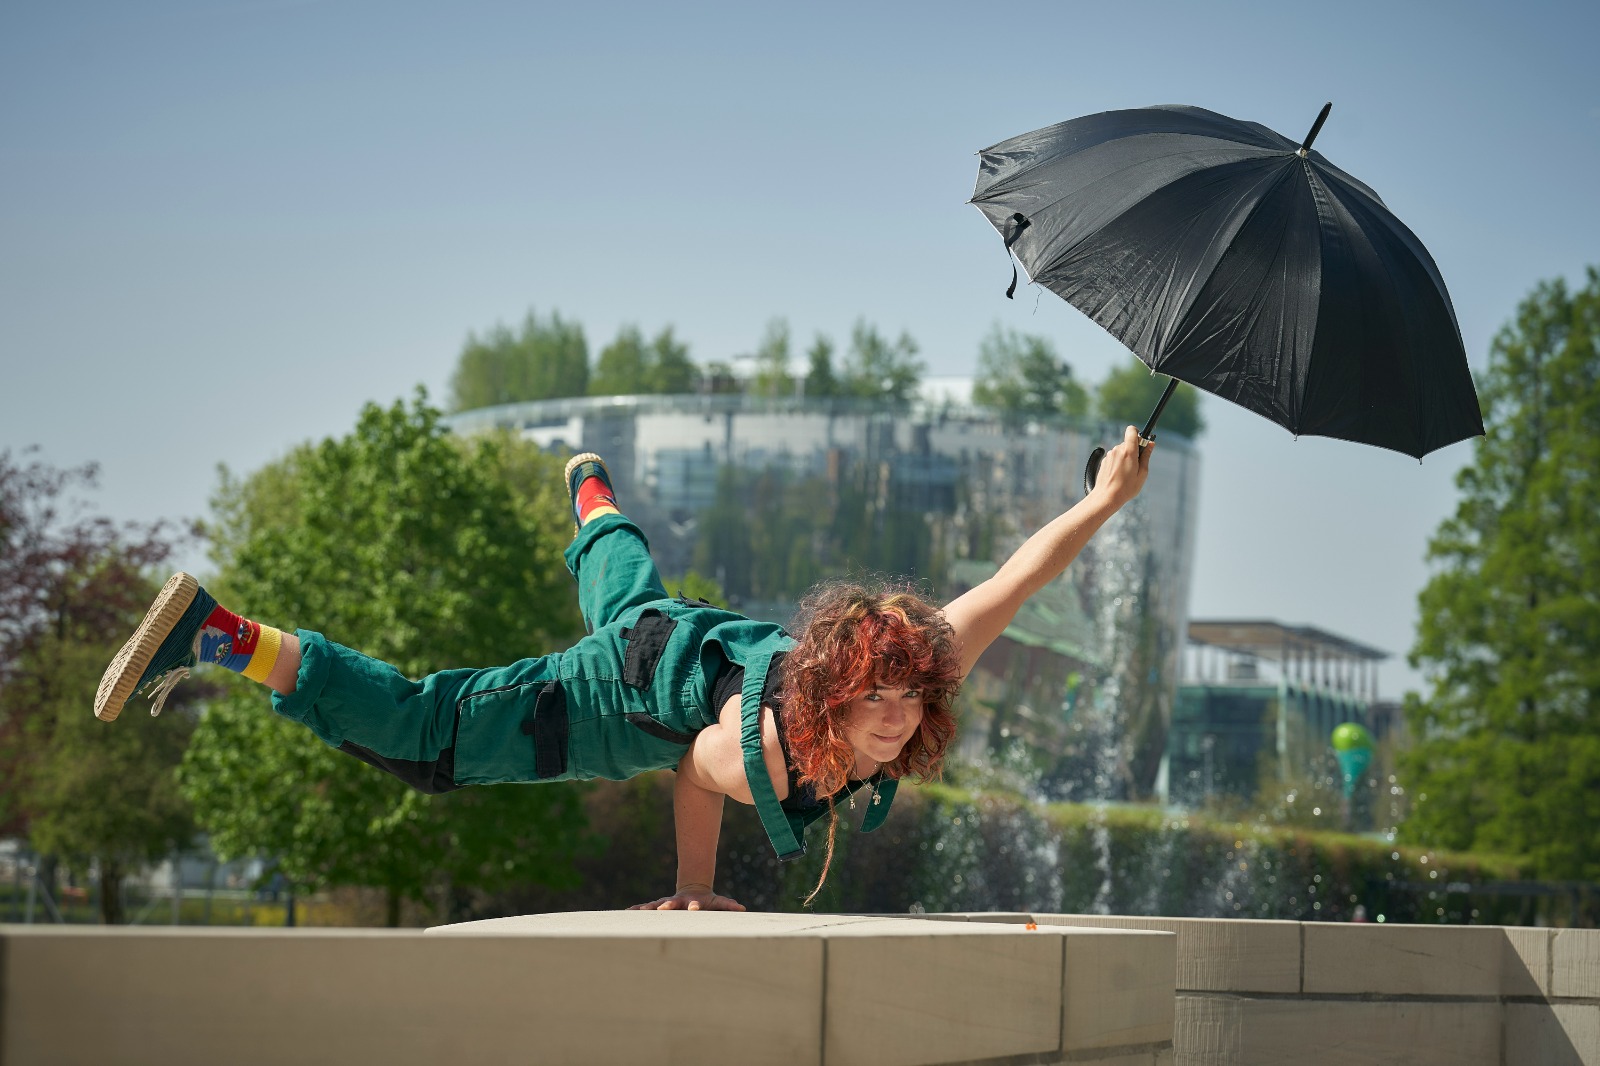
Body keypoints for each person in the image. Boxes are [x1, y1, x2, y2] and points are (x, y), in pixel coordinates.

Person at [96, 428, 1153, 910]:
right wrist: (692, 887)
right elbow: (693, 769)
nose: (889, 720)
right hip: (619, 693)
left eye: (903, 701)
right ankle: (222, 634)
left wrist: (1105, 498)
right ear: (829, 691)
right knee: (427, 738)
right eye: (869, 702)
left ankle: (593, 492)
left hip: (673, 629)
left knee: (631, 588)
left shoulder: (915, 665)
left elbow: (1015, 578)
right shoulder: (775, 749)